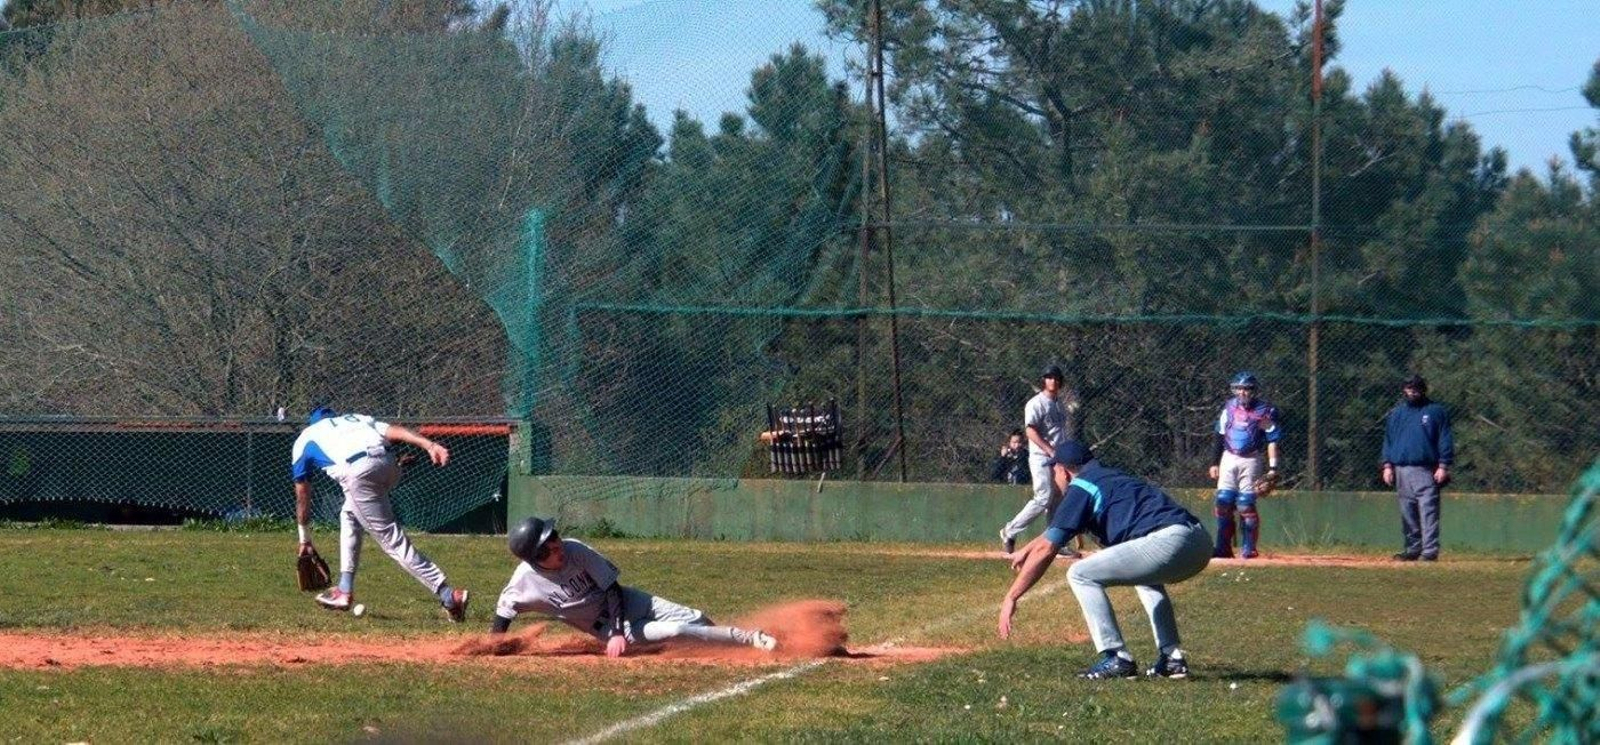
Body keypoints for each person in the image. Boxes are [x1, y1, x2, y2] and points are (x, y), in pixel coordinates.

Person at [997, 442, 1211, 679]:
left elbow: (1048, 549)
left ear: (1064, 470)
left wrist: (1012, 596)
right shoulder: (1112, 476)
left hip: (1168, 542)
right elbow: (1051, 537)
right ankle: (1172, 659)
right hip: (1199, 541)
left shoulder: (1080, 488)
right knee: (1146, 579)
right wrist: (1027, 548)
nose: (1054, 474)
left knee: (1080, 574)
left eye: (1054, 469)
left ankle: (1116, 657)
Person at [490, 517, 777, 656]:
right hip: (609, 627)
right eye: (548, 546)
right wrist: (495, 646)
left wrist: (617, 631)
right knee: (675, 631)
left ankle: (720, 645)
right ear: (536, 557)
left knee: (696, 618)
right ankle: (749, 638)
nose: (557, 545)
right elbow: (504, 612)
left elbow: (612, 588)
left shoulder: (576, 550)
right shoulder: (524, 581)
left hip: (628, 602)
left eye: (555, 536)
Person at [292, 407, 469, 621]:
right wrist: (429, 445)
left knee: (392, 541)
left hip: (359, 473)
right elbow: (395, 431)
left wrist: (305, 540)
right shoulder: (355, 419)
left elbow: (303, 493)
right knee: (349, 514)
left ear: (312, 423)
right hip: (388, 464)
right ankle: (344, 588)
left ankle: (449, 596)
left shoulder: (306, 437)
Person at [998, 364, 1083, 554]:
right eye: (1048, 377)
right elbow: (1030, 431)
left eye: (1056, 378)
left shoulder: (1059, 404)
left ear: (1060, 382)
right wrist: (1050, 451)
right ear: (1043, 380)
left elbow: (1060, 433)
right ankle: (1009, 531)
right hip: (1040, 457)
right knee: (1044, 497)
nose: (1052, 381)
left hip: (1058, 458)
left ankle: (1056, 542)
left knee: (1059, 498)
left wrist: (1063, 455)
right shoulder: (1035, 403)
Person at [1381, 374, 1454, 562]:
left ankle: (1429, 551)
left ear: (1423, 389)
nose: (1412, 390)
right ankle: (1412, 549)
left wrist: (1443, 465)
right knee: (1408, 512)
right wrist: (1387, 466)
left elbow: (1444, 439)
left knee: (1428, 510)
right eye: (1409, 387)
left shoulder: (1436, 411)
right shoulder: (1396, 414)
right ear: (1404, 389)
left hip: (1425, 469)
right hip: (1401, 469)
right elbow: (1388, 441)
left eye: (1416, 387)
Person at [1209, 371, 1282, 559]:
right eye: (1239, 388)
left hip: (1251, 459)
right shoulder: (1229, 408)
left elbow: (1272, 440)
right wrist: (1213, 462)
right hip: (1229, 457)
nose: (1243, 393)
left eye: (1247, 389)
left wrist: (1273, 468)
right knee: (1223, 501)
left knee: (1245, 504)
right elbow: (1219, 435)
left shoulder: (1264, 411)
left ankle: (1249, 548)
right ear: (1234, 390)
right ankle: (1223, 547)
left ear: (1253, 391)